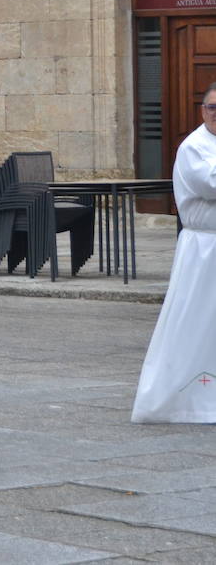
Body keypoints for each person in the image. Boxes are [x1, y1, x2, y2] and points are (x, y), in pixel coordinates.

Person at [132, 82, 216, 423]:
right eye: (213, 107)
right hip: (205, 249)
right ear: (203, 110)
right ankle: (187, 401)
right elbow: (210, 183)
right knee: (196, 325)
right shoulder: (194, 146)